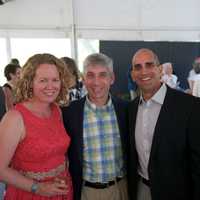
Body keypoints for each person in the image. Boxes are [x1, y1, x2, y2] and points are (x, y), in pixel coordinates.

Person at [128, 48, 200, 200]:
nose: (144, 71)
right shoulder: (131, 109)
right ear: (133, 75)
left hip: (178, 194)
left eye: (149, 65)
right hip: (142, 191)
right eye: (138, 67)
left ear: (160, 70)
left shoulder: (189, 106)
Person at [0, 53, 73, 200]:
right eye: (43, 80)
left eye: (55, 80)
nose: (50, 86)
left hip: (62, 191)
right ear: (29, 82)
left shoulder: (56, 110)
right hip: (29, 194)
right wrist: (37, 188)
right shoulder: (15, 118)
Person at [62, 53, 129, 200]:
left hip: (120, 189)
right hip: (87, 191)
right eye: (90, 75)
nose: (96, 82)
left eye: (102, 75)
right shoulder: (69, 112)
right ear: (83, 79)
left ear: (112, 78)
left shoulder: (126, 110)